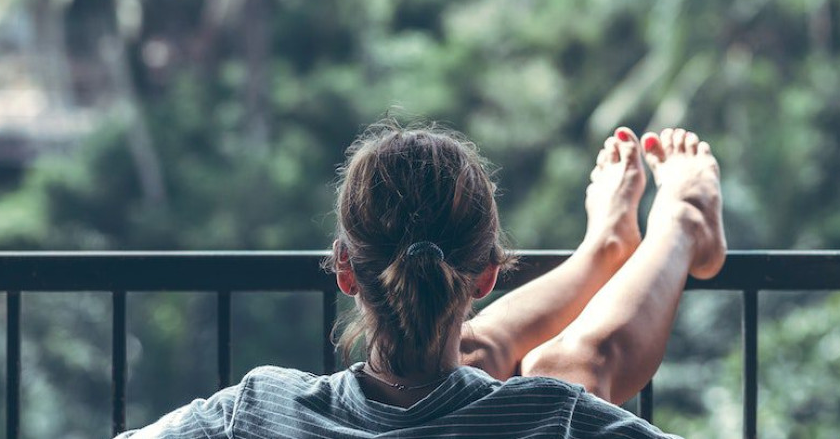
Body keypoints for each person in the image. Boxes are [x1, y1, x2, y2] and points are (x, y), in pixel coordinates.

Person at [117, 121, 726, 438]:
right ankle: (681, 218)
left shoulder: (256, 411)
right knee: (566, 369)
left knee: (476, 359)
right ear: (488, 275)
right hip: (524, 416)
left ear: (345, 270)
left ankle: (602, 250)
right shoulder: (556, 418)